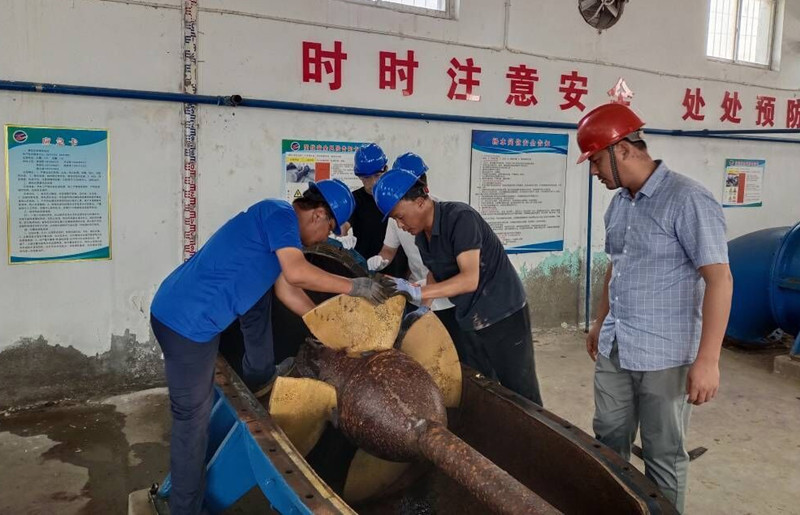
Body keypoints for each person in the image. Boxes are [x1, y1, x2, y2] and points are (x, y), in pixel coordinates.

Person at [149, 179, 394, 514]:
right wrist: (354, 286)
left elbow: (289, 291)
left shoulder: (281, 236)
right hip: (185, 324)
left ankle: (260, 376)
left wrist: (329, 334)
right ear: (318, 215)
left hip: (188, 313)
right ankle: (185, 508)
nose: (325, 239)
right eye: (329, 230)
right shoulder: (278, 213)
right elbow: (297, 273)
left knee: (258, 304)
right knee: (192, 421)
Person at [578, 103, 733, 513]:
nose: (594, 172)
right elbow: (616, 266)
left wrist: (708, 361)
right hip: (617, 346)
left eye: (595, 161)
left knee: (663, 453)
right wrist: (600, 321)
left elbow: (720, 280)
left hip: (666, 355)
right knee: (608, 440)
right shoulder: (619, 205)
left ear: (623, 150)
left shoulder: (688, 199)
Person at [373, 169, 543, 405]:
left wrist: (417, 291)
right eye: (395, 220)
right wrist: (424, 308)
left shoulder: (461, 218)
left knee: (521, 391)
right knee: (482, 383)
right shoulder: (422, 236)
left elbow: (469, 279)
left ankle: (532, 429)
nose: (400, 226)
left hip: (503, 314)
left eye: (400, 217)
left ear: (420, 201)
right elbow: (434, 271)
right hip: (469, 317)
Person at [366, 152, 468, 361]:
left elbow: (441, 269)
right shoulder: (397, 218)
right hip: (415, 292)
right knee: (418, 356)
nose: (401, 224)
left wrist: (426, 303)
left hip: (447, 299)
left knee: (451, 358)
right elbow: (388, 250)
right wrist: (380, 261)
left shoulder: (442, 215)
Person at [341, 143, 408, 278]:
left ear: (386, 170)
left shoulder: (399, 197)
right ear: (359, 176)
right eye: (366, 178)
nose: (373, 183)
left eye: (377, 175)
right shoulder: (354, 199)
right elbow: (344, 224)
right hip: (364, 272)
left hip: (398, 272)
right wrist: (341, 236)